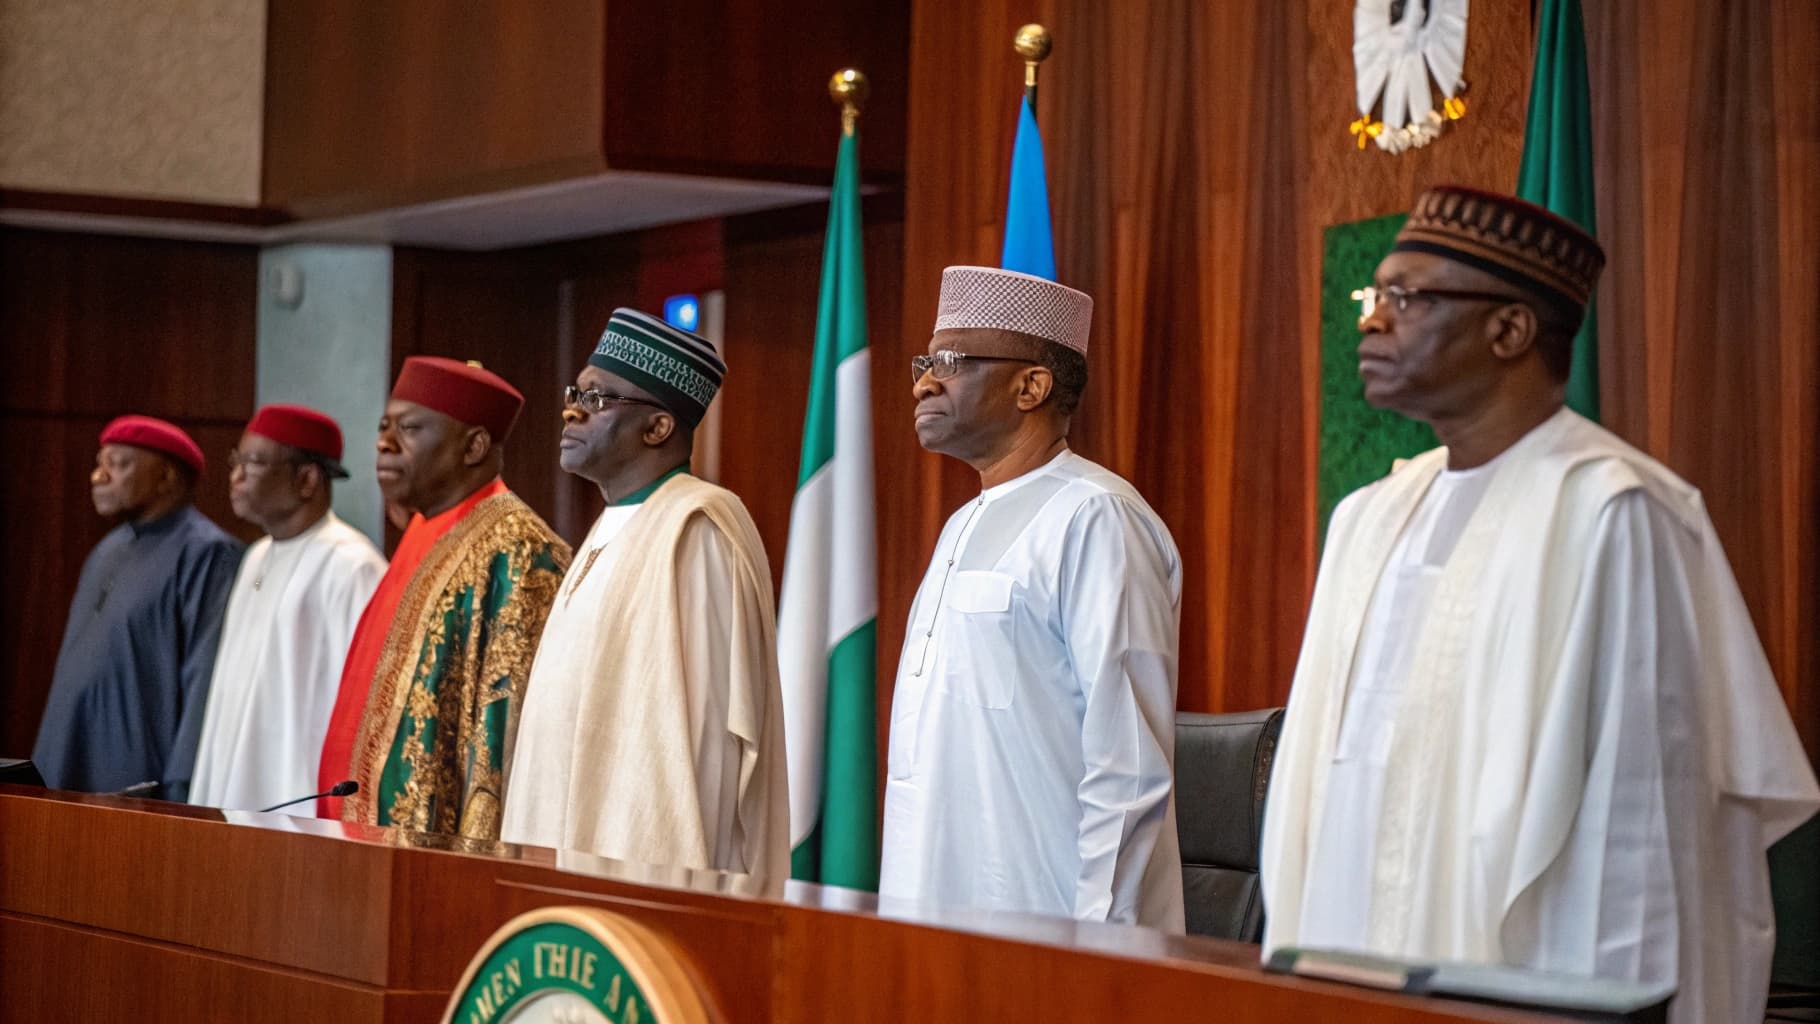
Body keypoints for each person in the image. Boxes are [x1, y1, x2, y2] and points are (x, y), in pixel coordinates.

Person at [1259, 185, 1820, 1023]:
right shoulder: (1368, 518)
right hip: (1353, 945)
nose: (1372, 320)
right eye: (1379, 295)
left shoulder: (1614, 512)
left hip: (1527, 975)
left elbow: (1637, 830)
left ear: (1510, 330)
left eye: (1407, 298)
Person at [878, 266, 1185, 930]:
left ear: (1032, 386)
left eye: (951, 363)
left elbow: (1126, 765)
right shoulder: (961, 524)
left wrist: (1095, 942)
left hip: (1050, 933)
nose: (924, 383)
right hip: (935, 918)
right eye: (925, 363)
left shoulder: (1097, 516)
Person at [502, 309, 788, 886]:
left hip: (643, 873)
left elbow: (701, 731)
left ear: (657, 428)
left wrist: (673, 885)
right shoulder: (609, 524)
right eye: (575, 394)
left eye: (597, 399)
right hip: (564, 857)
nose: (572, 410)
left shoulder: (697, 526)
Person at [316, 357, 569, 838]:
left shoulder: (519, 548)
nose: (385, 443)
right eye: (384, 427)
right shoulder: (420, 528)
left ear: (474, 446)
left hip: (436, 852)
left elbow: (504, 733)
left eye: (410, 428)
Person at [34, 415, 242, 800]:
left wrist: (181, 785)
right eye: (100, 463)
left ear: (166, 477)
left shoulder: (208, 553)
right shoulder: (107, 549)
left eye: (118, 464)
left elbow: (203, 679)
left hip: (141, 782)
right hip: (67, 762)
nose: (98, 476)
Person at [188, 404, 385, 811]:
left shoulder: (352, 565)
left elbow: (365, 709)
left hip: (297, 794)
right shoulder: (256, 556)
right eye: (236, 461)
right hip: (235, 785)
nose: (236, 476)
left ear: (306, 479)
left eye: (254, 463)